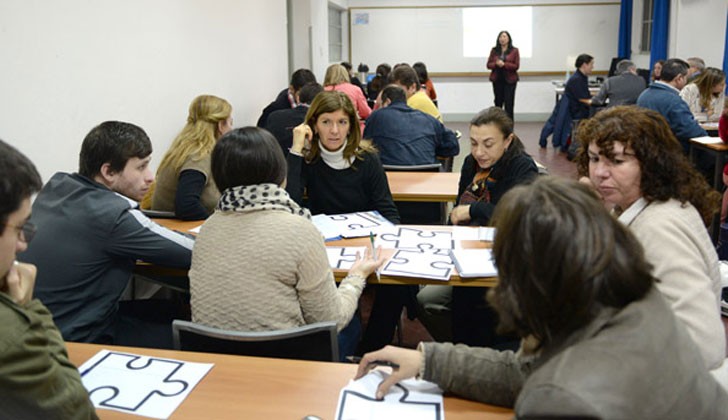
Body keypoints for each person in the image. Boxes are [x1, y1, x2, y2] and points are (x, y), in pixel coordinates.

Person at [355, 177, 728, 418]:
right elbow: (532, 370)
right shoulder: (639, 302)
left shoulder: (560, 399)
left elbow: (549, 383)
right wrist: (428, 360)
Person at [189, 127, 385, 358]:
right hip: (286, 364)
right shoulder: (300, 229)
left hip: (215, 363)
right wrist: (357, 276)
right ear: (279, 171)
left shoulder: (208, 228)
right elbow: (331, 319)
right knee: (349, 322)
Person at [575, 106, 725, 370]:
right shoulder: (633, 207)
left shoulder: (659, 227)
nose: (599, 172)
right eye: (594, 158)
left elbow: (705, 345)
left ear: (652, 164)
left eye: (617, 161)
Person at [21, 121, 194, 346]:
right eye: (141, 167)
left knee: (166, 307)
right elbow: (194, 251)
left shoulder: (57, 187)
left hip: (37, 330)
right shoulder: (113, 215)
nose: (150, 177)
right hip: (75, 341)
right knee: (189, 329)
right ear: (108, 172)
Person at [286, 90, 403, 355]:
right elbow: (289, 206)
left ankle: (370, 348)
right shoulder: (308, 159)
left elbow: (389, 213)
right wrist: (295, 150)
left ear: (352, 124)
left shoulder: (367, 159)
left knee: (399, 288)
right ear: (313, 125)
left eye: (342, 122)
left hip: (362, 247)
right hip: (323, 251)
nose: (335, 131)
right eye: (326, 122)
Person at [419, 107, 538, 345]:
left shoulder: (522, 167)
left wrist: (474, 210)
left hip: (504, 259)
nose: (479, 152)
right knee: (424, 301)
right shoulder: (470, 164)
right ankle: (461, 350)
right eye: (473, 143)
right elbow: (456, 211)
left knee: (473, 304)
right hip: (465, 252)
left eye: (488, 144)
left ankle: (474, 353)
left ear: (508, 141)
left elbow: (514, 217)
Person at [0, 140, 97, 419]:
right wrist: (25, 310)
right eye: (19, 228)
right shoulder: (11, 335)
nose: (22, 244)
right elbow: (77, 412)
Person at [151, 95, 233, 220]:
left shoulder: (183, 148)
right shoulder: (199, 156)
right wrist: (215, 227)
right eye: (230, 123)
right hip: (181, 230)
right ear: (221, 126)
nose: (231, 129)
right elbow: (187, 206)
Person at [362, 84, 459, 166]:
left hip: (389, 178)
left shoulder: (376, 117)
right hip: (426, 176)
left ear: (387, 102)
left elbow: (365, 149)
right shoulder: (429, 120)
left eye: (380, 105)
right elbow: (453, 146)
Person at [637, 58, 707, 154]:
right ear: (679, 78)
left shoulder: (644, 94)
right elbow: (690, 130)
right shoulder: (674, 101)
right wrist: (707, 137)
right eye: (686, 78)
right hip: (670, 152)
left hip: (647, 148)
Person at [265, 82, 323, 155]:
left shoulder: (273, 116)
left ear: (298, 98)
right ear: (321, 102)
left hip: (274, 162)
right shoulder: (317, 122)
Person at [323, 64, 371, 131]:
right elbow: (365, 112)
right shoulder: (355, 89)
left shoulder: (322, 91)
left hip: (328, 129)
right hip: (351, 128)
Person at [486, 30, 520, 121]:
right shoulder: (494, 50)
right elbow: (488, 65)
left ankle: (509, 127)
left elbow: (516, 66)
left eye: (504, 37)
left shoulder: (514, 51)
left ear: (508, 39)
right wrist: (496, 64)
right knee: (498, 104)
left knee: (509, 104)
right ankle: (498, 126)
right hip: (497, 80)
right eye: (501, 37)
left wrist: (504, 64)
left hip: (510, 81)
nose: (502, 39)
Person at [565, 53, 594, 121]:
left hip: (578, 109)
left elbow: (584, 95)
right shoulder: (577, 79)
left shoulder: (581, 77)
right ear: (584, 65)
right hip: (578, 112)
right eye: (591, 64)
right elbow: (583, 99)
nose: (592, 67)